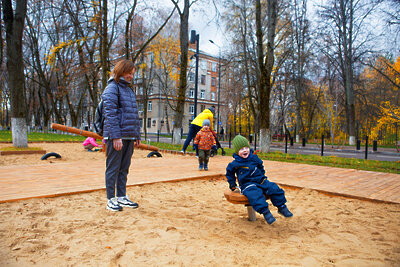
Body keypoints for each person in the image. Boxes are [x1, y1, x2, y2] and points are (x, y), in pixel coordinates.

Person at [225, 135, 293, 224]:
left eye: (246, 148)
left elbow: (261, 165)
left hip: (260, 180)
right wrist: (232, 184)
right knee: (255, 194)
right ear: (237, 152)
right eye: (241, 149)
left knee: (274, 188)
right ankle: (266, 212)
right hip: (247, 184)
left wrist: (262, 174)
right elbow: (229, 173)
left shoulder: (254, 158)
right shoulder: (235, 164)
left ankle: (281, 207)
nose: (245, 150)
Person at [102, 59, 141, 212]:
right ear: (121, 71)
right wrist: (116, 136)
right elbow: (110, 115)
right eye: (129, 73)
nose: (131, 76)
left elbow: (134, 114)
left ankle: (122, 196)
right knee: (113, 168)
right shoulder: (112, 88)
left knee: (124, 168)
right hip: (116, 136)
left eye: (132, 74)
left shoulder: (129, 90)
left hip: (129, 136)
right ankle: (111, 199)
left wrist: (137, 135)